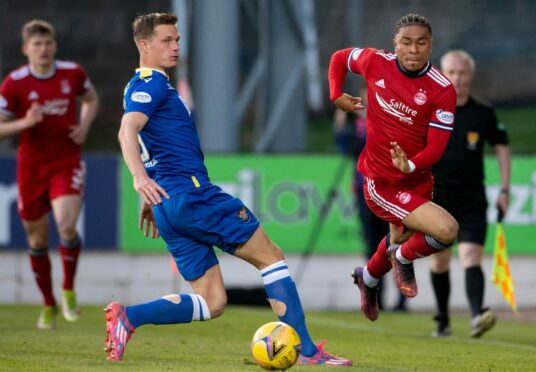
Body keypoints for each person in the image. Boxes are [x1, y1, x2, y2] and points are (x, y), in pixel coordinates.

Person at [104, 13, 351, 366]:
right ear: (143, 45)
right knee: (272, 258)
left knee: (213, 302)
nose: (175, 46)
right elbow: (127, 130)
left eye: (177, 39)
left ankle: (129, 317)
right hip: (192, 196)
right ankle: (310, 352)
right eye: (166, 41)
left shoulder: (137, 86)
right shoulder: (152, 83)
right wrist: (139, 178)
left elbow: (150, 139)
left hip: (168, 205)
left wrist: (152, 191)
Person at [328, 13, 459, 321]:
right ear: (395, 45)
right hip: (381, 182)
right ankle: (402, 259)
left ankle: (369, 278)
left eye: (421, 43)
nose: (413, 50)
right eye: (406, 42)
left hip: (418, 179)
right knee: (446, 230)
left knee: (399, 239)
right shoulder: (375, 62)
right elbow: (339, 58)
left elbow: (437, 147)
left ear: (431, 46)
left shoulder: (442, 89)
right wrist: (336, 95)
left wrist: (411, 164)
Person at [0, 19, 99, 329]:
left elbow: (91, 99)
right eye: (37, 44)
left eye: (47, 44)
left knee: (67, 226)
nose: (43, 49)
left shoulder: (73, 73)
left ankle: (68, 289)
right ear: (26, 49)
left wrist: (83, 127)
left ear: (54, 46)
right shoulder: (14, 83)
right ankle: (48, 303)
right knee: (37, 238)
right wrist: (24, 124)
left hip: (66, 161)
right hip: (30, 166)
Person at [430, 50, 511, 338]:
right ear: (442, 73)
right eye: (452, 72)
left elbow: (502, 145)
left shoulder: (483, 112)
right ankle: (443, 321)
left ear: (471, 76)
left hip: (472, 199)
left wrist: (505, 188)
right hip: (437, 199)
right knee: (439, 260)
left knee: (471, 255)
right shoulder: (431, 109)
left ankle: (477, 315)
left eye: (462, 73)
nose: (457, 78)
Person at [333, 87, 406, 311]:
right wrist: (342, 111)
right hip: (366, 193)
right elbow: (342, 142)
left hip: (391, 194)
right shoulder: (356, 128)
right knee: (373, 247)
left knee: (396, 245)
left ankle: (402, 297)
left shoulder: (392, 122)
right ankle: (378, 296)